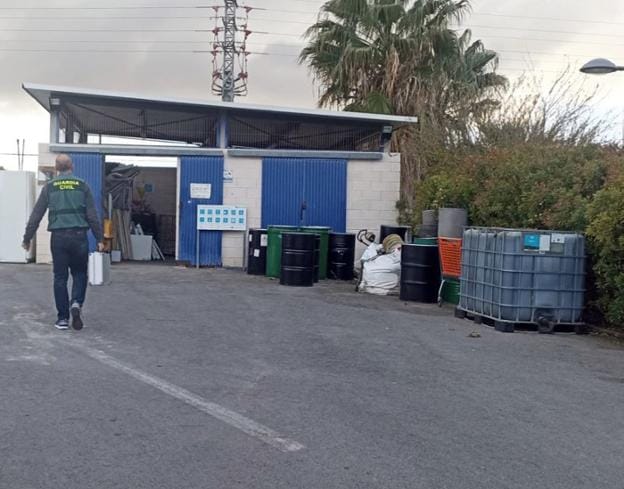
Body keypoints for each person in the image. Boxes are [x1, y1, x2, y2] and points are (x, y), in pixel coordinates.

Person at [22, 154, 104, 331]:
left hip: (58, 238)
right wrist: (100, 238)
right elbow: (92, 215)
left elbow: (37, 215)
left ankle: (62, 319)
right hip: (79, 237)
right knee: (80, 273)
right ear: (71, 166)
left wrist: (27, 238)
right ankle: (76, 303)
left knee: (60, 277)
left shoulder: (50, 187)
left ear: (56, 168)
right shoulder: (82, 185)